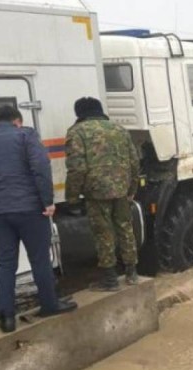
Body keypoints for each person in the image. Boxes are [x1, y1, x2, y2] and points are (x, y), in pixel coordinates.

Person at [0, 106, 77, 333]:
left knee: (5, 262)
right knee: (39, 258)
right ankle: (49, 304)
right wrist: (47, 200)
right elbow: (40, 167)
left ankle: (6, 317)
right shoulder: (25, 135)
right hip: (29, 208)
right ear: (17, 121)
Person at [65, 97, 139, 291]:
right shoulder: (119, 130)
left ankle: (110, 279)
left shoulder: (77, 132)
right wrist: (131, 190)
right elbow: (134, 162)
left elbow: (77, 168)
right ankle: (132, 273)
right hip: (122, 189)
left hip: (96, 192)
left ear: (79, 113)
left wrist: (72, 198)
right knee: (125, 227)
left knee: (103, 233)